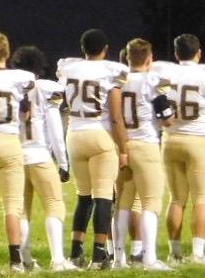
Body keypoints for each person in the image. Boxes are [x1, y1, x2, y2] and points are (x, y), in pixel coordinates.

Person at [152, 34, 205, 266]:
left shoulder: (166, 74)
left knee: (176, 199)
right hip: (198, 140)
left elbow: (156, 101)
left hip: (171, 139)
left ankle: (174, 253)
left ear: (176, 54)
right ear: (199, 52)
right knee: (202, 198)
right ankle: (197, 253)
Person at [57, 29, 127, 269]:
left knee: (84, 197)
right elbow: (116, 117)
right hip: (99, 134)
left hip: (74, 135)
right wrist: (124, 147)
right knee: (104, 197)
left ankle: (75, 253)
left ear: (82, 48)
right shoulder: (112, 71)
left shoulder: (68, 67)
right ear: (105, 48)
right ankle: (99, 256)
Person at [112, 39, 175, 271]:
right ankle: (149, 259)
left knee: (123, 203)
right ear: (149, 59)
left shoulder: (117, 81)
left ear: (128, 58)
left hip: (123, 145)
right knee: (151, 202)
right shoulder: (151, 81)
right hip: (146, 145)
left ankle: (118, 259)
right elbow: (167, 119)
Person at [9, 45, 73, 271]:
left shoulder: (10, 88)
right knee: (54, 205)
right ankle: (57, 260)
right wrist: (63, 163)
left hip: (15, 157)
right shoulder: (46, 88)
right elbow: (56, 130)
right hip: (39, 155)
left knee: (22, 210)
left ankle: (25, 260)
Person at [0, 33, 34, 272]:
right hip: (9, 142)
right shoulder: (21, 78)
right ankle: (16, 261)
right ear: (7, 53)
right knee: (13, 206)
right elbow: (26, 114)